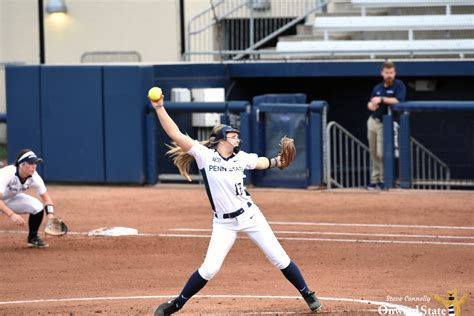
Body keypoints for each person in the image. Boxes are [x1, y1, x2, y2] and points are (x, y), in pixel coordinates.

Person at [150, 96, 322, 315]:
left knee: (279, 257)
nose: (237, 138)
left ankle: (308, 294)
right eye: (233, 135)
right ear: (221, 139)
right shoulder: (205, 157)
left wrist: (277, 162)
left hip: (251, 216)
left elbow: (261, 162)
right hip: (224, 224)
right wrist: (160, 107)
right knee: (210, 268)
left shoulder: (242, 158)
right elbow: (174, 133)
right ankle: (175, 304)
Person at [0, 149, 58, 248]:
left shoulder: (34, 177)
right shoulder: (6, 174)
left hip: (11, 199)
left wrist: (51, 216)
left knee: (37, 207)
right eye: (31, 163)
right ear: (21, 165)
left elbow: (47, 199)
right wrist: (11, 214)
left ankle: (33, 238)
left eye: (36, 163)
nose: (34, 166)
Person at [367, 61, 406, 190]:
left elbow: (398, 100)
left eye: (391, 73)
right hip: (373, 121)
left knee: (382, 153)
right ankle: (375, 180)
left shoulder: (399, 85)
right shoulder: (377, 87)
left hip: (386, 123)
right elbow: (371, 102)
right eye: (387, 73)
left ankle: (385, 180)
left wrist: (382, 99)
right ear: (382, 73)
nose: (389, 75)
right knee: (373, 152)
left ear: (394, 73)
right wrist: (372, 105)